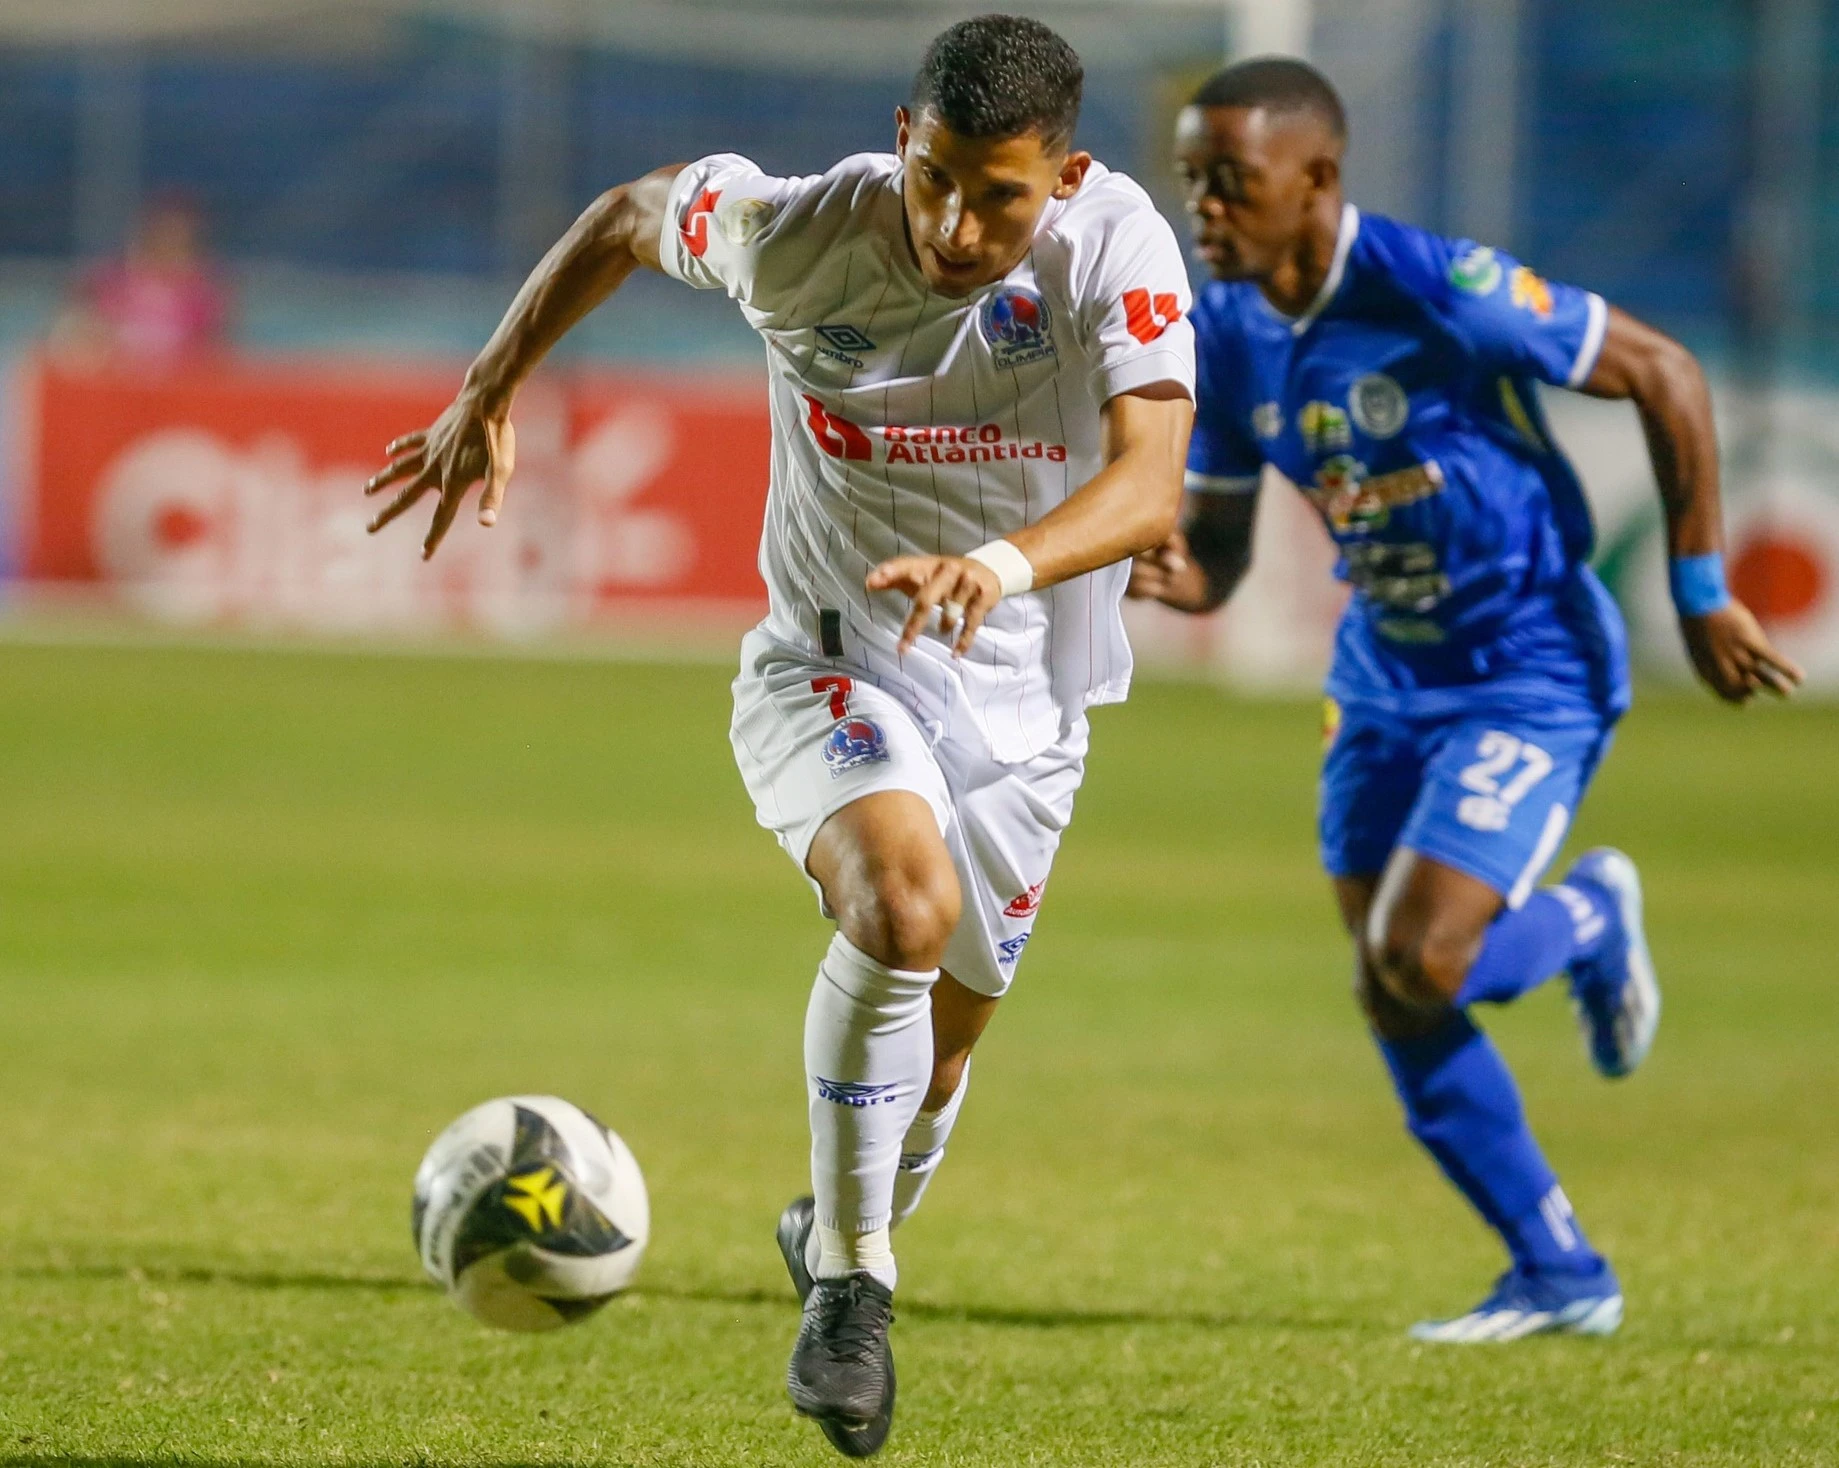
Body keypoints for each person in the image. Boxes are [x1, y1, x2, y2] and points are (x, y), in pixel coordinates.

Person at [364, 15, 1193, 1455]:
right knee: (899, 902)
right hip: (832, 661)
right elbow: (624, 216)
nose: (951, 219)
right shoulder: (792, 232)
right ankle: (853, 1286)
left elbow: (1150, 481)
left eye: (996, 192)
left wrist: (994, 571)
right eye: (930, 175)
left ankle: (835, 1212)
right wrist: (491, 381)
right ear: (897, 135)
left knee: (933, 1068)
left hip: (1028, 704)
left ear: (1061, 179)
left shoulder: (1112, 250)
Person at [1130, 58, 1802, 1343]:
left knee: (1417, 954)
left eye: (1231, 182)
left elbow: (1663, 371)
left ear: (1318, 179)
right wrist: (1167, 576)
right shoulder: (1221, 336)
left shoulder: (1439, 288)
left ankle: (1592, 913)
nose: (1203, 209)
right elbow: (1214, 556)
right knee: (1394, 984)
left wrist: (1704, 589)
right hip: (1385, 676)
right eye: (1191, 184)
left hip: (1530, 665)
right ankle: (1557, 1271)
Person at [51, 195, 230, 367]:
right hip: (120, 380)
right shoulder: (115, 284)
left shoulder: (201, 296)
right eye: (164, 241)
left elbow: (212, 350)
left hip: (175, 385)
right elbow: (79, 325)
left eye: (179, 244)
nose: (170, 252)